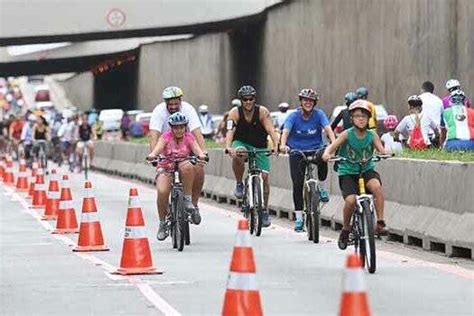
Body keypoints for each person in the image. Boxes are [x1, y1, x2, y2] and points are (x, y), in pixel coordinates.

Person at [322, 100, 390, 250]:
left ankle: (380, 223)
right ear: (351, 118)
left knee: (377, 188)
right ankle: (346, 229)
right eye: (357, 116)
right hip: (348, 172)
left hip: (366, 170)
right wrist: (327, 154)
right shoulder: (346, 134)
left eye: (364, 116)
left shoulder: (372, 135)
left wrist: (385, 153)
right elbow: (331, 147)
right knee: (351, 201)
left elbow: (381, 149)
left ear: (369, 119)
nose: (361, 119)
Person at [149, 86, 208, 229]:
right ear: (165, 103)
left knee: (198, 169)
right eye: (170, 104)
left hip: (186, 151)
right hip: (166, 154)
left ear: (180, 101)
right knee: (162, 190)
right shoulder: (159, 113)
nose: (173, 106)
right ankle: (163, 221)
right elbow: (154, 137)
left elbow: (197, 133)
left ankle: (193, 204)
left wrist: (203, 153)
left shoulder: (188, 110)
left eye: (176, 103)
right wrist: (154, 156)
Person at [279, 88, 336, 232]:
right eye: (305, 100)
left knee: (324, 155)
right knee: (297, 184)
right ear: (301, 102)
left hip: (316, 148)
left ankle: (322, 188)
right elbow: (285, 131)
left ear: (314, 102)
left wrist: (333, 146)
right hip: (296, 151)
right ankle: (299, 219)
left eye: (311, 101)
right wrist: (282, 145)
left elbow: (329, 130)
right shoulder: (293, 116)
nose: (308, 103)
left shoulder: (319, 114)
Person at [225, 85, 279, 228]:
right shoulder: (234, 113)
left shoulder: (262, 112)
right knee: (239, 152)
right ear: (241, 100)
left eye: (251, 99)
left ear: (255, 99)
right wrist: (228, 147)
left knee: (265, 178)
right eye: (245, 99)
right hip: (241, 142)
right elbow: (230, 131)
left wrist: (276, 145)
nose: (248, 102)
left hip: (260, 146)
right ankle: (239, 183)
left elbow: (271, 130)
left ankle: (264, 209)